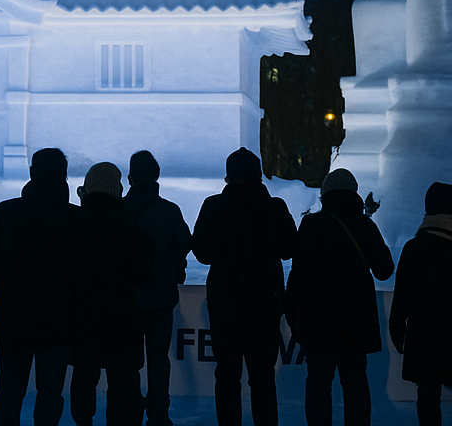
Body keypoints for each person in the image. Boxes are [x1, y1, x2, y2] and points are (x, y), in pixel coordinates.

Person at [0, 147, 82, 426]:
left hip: (14, 318)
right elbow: (85, 275)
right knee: (51, 392)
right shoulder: (77, 218)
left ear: (31, 173)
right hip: (60, 321)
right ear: (64, 176)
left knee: (9, 389)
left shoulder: (6, 212)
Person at [191, 146, 297, 426]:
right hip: (265, 302)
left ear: (228, 177)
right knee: (263, 377)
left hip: (225, 302)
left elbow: (201, 252)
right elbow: (289, 249)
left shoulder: (214, 206)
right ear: (259, 176)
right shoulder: (274, 208)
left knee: (227, 376)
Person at [286, 168, 394, 426]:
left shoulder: (312, 225)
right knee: (356, 384)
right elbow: (385, 270)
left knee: (318, 385)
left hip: (318, 322)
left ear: (325, 195)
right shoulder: (364, 226)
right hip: (356, 323)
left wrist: (293, 316)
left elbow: (298, 275)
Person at [70, 162, 149, 426]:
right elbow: (142, 269)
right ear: (117, 189)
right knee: (123, 383)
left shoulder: (75, 222)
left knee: (83, 378)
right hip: (122, 317)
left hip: (82, 317)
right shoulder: (128, 223)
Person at [122, 150, 192, 426]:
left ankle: (129, 410)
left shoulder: (120, 209)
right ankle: (158, 413)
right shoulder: (169, 210)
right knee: (158, 359)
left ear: (130, 178)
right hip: (161, 296)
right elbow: (186, 243)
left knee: (128, 360)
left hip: (126, 298)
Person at [389, 181, 452, 426]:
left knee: (427, 394)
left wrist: (397, 327)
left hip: (425, 334)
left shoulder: (414, 247)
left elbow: (402, 294)